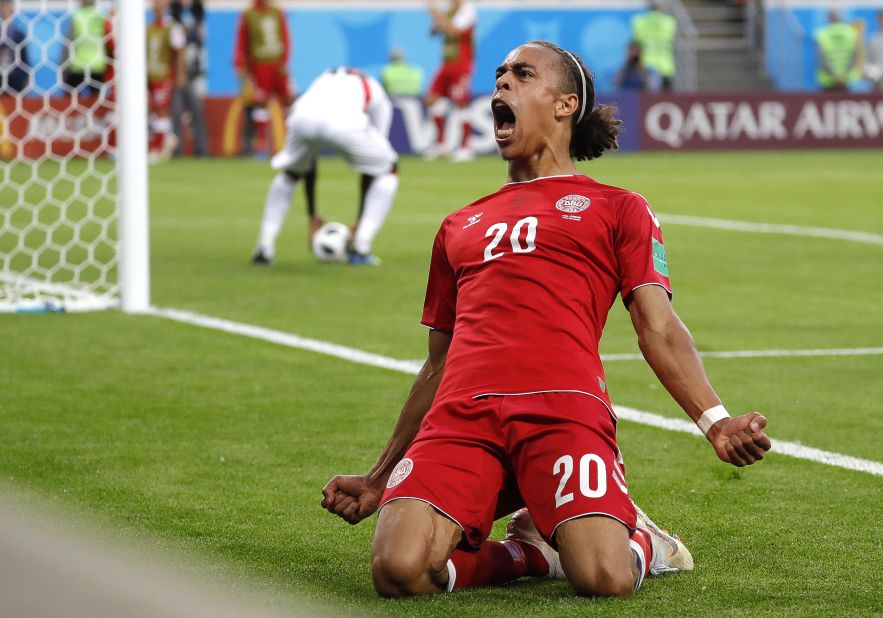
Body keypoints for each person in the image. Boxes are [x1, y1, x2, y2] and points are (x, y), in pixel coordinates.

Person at [321, 40, 771, 599]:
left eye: (522, 74)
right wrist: (378, 475)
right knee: (398, 570)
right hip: (462, 419)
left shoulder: (618, 206)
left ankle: (647, 541)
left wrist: (715, 421)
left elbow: (657, 326)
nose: (501, 83)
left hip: (563, 410)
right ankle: (531, 553)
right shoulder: (460, 223)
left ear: (564, 104)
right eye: (499, 75)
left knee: (605, 577)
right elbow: (437, 364)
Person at [252, 67, 399, 266]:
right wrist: (360, 220)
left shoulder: (324, 78)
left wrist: (312, 214)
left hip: (302, 117)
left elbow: (309, 161)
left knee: (291, 173)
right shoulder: (379, 96)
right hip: (345, 122)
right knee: (389, 169)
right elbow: (371, 170)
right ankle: (361, 247)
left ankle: (264, 245)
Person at [233, 0, 294, 157]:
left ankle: (293, 143)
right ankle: (260, 146)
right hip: (259, 65)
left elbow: (285, 37)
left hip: (278, 64)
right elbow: (242, 41)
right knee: (260, 103)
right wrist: (239, 64)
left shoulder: (277, 12)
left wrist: (285, 60)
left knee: (288, 99)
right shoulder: (248, 14)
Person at [424, 0, 477, 162]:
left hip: (462, 63)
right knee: (432, 98)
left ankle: (466, 147)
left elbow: (455, 32)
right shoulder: (448, 11)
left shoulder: (468, 10)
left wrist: (435, 13)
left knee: (460, 103)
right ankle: (441, 144)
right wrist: (436, 19)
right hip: (447, 63)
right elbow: (433, 32)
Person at [146, 0, 186, 163]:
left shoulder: (173, 27)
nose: (158, 5)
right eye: (155, 2)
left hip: (165, 76)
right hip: (150, 75)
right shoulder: (148, 28)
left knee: (163, 110)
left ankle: (157, 148)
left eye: (161, 2)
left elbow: (179, 52)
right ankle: (167, 139)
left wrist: (181, 73)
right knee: (153, 111)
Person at [170, 0, 209, 156]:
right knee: (176, 111)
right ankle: (176, 149)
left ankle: (202, 149)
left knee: (197, 111)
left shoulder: (197, 12)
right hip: (178, 73)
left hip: (193, 72)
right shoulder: (175, 13)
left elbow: (199, 38)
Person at [62, 0, 109, 96]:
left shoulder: (76, 17)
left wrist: (63, 69)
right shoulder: (102, 17)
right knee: (96, 104)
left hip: (78, 66)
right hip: (98, 66)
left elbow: (68, 45)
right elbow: (108, 43)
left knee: (71, 102)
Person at [631, 1, 677, 91]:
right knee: (666, 100)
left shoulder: (639, 22)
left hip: (646, 65)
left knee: (647, 100)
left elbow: (636, 46)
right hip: (666, 66)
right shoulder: (670, 22)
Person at [813, 9, 862, 91]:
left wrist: (834, 76)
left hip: (827, 81)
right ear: (842, 18)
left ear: (828, 18)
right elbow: (854, 56)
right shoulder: (851, 32)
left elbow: (821, 60)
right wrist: (843, 76)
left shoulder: (822, 34)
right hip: (847, 80)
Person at [0, 0, 28, 94]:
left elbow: (24, 60)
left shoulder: (19, 35)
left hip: (15, 81)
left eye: (8, 8)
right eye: (3, 8)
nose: (5, 11)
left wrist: (26, 78)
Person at [863, 11, 883, 90]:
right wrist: (874, 74)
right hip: (877, 87)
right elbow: (867, 63)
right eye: (881, 19)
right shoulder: (873, 39)